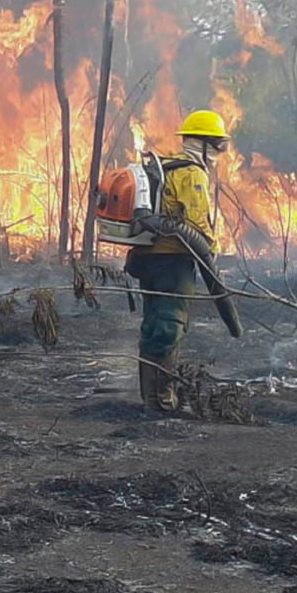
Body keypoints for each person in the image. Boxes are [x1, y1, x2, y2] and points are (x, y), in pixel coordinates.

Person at [125, 110, 230, 413]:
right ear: (206, 144)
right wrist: (211, 253)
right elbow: (197, 226)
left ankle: (149, 398)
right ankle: (163, 399)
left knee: (153, 324)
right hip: (175, 261)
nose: (219, 153)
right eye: (218, 145)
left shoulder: (166, 166)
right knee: (171, 325)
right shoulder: (192, 173)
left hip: (149, 258)